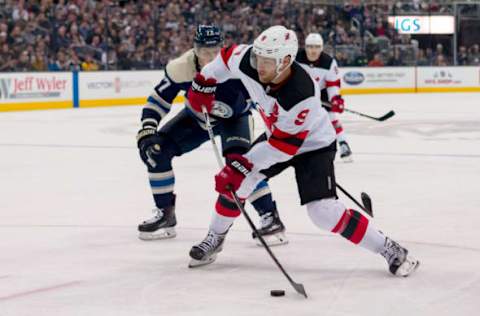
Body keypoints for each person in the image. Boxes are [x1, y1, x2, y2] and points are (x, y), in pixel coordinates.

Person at [186, 25, 419, 277]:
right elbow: (223, 59)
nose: (259, 65)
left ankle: (387, 248)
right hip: (278, 136)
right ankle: (215, 237)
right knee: (238, 184)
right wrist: (203, 83)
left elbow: (283, 148)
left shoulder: (301, 92)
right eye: (258, 58)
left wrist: (242, 164)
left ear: (285, 61)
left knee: (323, 213)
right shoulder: (248, 60)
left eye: (267, 61)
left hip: (312, 144)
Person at [136, 25, 285, 244]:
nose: (208, 56)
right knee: (156, 151)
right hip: (196, 119)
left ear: (222, 47)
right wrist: (148, 127)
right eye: (203, 50)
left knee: (240, 166)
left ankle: (269, 216)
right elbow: (159, 99)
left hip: (235, 120)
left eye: (213, 50)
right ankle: (165, 214)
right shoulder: (182, 68)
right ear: (194, 48)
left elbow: (266, 97)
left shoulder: (238, 67)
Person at [296, 33, 353, 162]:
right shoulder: (296, 58)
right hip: (300, 91)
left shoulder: (328, 62)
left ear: (321, 48)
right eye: (310, 47)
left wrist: (335, 100)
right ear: (305, 47)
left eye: (316, 47)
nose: (313, 50)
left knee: (332, 117)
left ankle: (343, 143)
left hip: (322, 92)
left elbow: (332, 84)